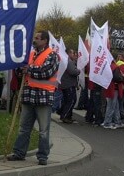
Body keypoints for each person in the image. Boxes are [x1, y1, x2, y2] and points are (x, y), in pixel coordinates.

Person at [7, 30, 60, 165]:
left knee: (43, 130)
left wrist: (28, 70)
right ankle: (19, 152)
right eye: (34, 37)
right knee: (24, 127)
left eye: (37, 38)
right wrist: (21, 69)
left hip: (43, 97)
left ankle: (42, 156)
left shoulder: (52, 55)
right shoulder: (30, 55)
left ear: (45, 41)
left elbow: (46, 72)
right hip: (28, 95)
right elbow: (20, 71)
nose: (34, 40)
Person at [58, 49, 80, 123]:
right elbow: (73, 71)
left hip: (67, 84)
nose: (75, 55)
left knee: (69, 100)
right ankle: (64, 115)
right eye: (73, 53)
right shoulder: (69, 61)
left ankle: (67, 115)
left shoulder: (68, 61)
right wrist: (79, 70)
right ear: (69, 54)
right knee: (71, 100)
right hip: (68, 84)